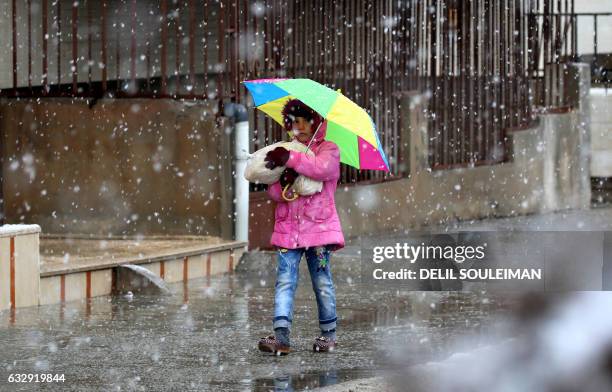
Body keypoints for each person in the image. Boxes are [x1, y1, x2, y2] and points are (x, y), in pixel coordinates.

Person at [257, 99, 345, 355]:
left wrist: (292, 160)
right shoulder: (286, 149)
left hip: (319, 231)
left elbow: (321, 169)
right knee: (284, 282)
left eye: (304, 121)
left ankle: (328, 335)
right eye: (293, 122)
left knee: (322, 282)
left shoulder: (329, 149)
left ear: (316, 121)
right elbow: (274, 191)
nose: (298, 127)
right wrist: (282, 178)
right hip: (288, 233)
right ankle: (281, 337)